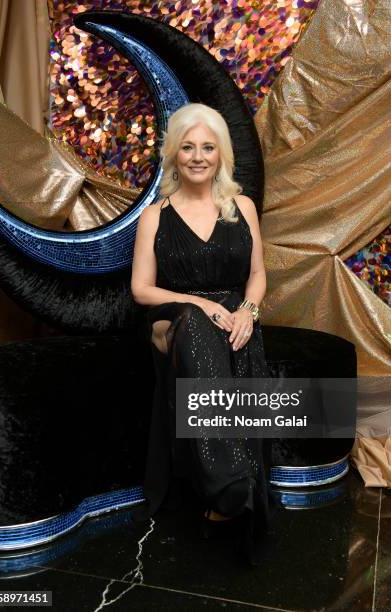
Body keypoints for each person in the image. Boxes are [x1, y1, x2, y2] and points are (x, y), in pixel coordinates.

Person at [130, 102, 275, 564]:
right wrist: (202, 303)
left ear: (221, 155)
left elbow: (257, 273)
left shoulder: (242, 207)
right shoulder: (155, 216)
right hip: (178, 316)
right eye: (188, 147)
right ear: (173, 154)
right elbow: (140, 290)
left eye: (207, 147)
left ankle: (232, 489)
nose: (197, 156)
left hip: (235, 315)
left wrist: (248, 311)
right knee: (195, 329)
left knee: (227, 335)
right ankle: (231, 481)